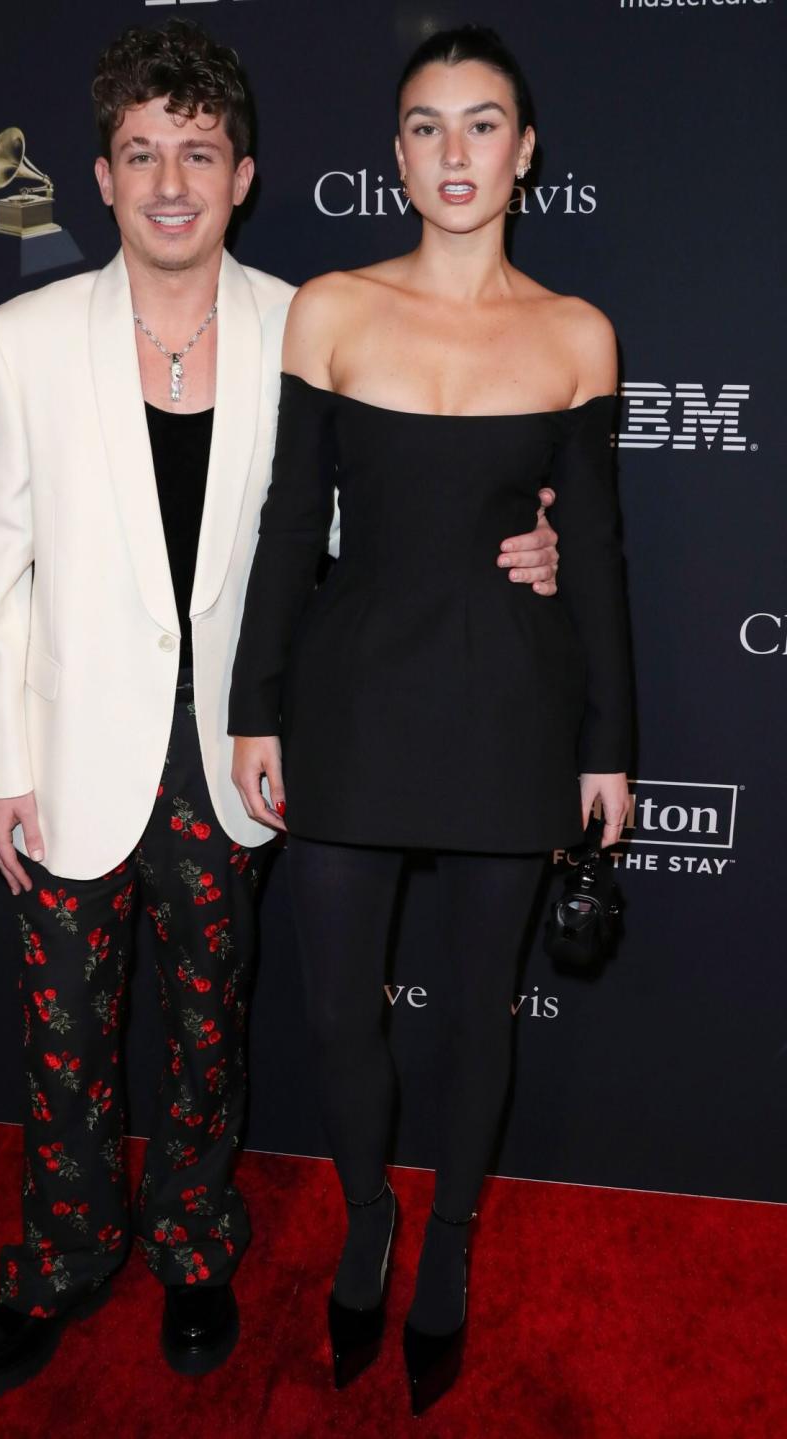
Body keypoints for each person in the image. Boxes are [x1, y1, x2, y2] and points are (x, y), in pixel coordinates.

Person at [0, 18, 562, 1400]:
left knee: (211, 1029)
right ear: (100, 177)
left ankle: (192, 1249)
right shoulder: (28, 338)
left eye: (201, 153)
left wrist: (531, 542)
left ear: (245, 176)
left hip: (244, 754)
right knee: (64, 1041)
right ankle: (57, 1264)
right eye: (142, 153)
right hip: (68, 753)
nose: (172, 181)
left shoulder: (322, 320)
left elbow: (400, 508)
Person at [229, 23, 631, 1419]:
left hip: (511, 709)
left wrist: (609, 744)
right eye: (424, 125)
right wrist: (252, 706)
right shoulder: (330, 306)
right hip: (350, 700)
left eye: (480, 124)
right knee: (339, 1011)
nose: (452, 152)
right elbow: (291, 526)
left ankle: (446, 1245)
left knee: (476, 1016)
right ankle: (364, 1219)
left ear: (524, 153)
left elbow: (599, 558)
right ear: (395, 152)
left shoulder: (578, 334)